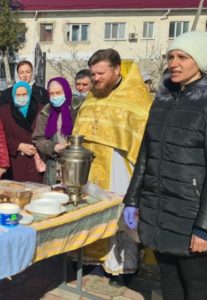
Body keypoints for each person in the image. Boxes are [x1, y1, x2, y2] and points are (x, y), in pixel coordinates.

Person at [124, 31, 207, 300]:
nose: (174, 63)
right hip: (159, 208)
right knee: (168, 277)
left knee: (196, 282)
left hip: (192, 213)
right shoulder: (163, 101)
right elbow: (145, 154)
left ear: (200, 61)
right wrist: (132, 200)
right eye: (171, 56)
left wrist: (205, 226)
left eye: (182, 57)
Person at [73, 48, 153, 282]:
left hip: (120, 166)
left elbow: (143, 137)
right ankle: (91, 263)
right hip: (91, 168)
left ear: (116, 70)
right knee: (91, 211)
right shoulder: (92, 96)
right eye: (93, 74)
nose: (95, 78)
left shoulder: (136, 97)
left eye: (100, 73)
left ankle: (120, 267)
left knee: (118, 215)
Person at [32, 77, 77, 185]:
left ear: (66, 92)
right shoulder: (45, 113)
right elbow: (38, 138)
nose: (54, 97)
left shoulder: (77, 111)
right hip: (54, 165)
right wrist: (53, 147)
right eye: (51, 93)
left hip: (76, 163)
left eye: (58, 93)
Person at [0, 81, 44, 182]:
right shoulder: (3, 112)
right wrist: (18, 145)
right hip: (15, 162)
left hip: (35, 161)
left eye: (24, 94)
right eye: (18, 95)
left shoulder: (41, 110)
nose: (21, 97)